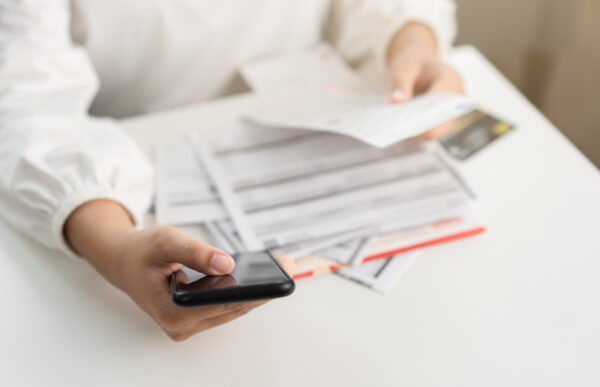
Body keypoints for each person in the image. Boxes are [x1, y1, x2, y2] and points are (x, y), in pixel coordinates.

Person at [0, 0, 462, 341]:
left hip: (310, 130)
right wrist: (115, 247)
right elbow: (24, 98)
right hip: (127, 182)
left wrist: (413, 42)